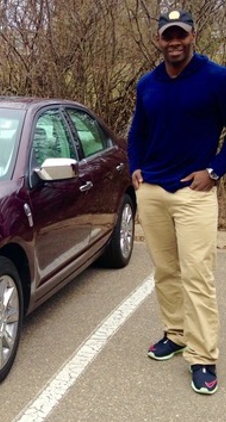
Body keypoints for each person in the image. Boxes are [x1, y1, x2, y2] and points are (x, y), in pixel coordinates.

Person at [128, 9, 226, 395]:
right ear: (158, 40)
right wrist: (135, 168)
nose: (174, 42)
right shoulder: (147, 83)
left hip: (194, 194)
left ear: (192, 36)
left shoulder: (216, 78)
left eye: (180, 35)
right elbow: (138, 130)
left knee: (197, 275)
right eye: (167, 36)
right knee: (166, 270)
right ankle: (176, 333)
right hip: (152, 191)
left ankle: (203, 356)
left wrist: (215, 171)